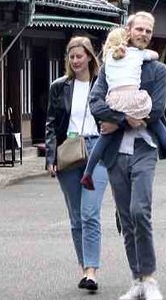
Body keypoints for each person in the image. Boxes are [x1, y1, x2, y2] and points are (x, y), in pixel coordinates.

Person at [89, 11, 166, 300]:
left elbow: (156, 109)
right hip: (115, 152)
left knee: (139, 211)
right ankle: (136, 279)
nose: (144, 34)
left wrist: (118, 119)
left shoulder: (157, 69)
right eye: (140, 29)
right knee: (125, 217)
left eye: (149, 30)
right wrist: (124, 119)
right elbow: (95, 103)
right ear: (129, 30)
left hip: (144, 148)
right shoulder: (112, 63)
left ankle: (150, 279)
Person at [80, 26, 166, 190]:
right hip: (133, 98)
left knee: (104, 137)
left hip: (114, 101)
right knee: (159, 124)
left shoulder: (108, 59)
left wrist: (118, 121)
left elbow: (96, 101)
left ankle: (88, 173)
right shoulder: (135, 54)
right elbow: (154, 55)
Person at [45, 36, 110, 293]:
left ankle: (92, 271)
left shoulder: (102, 84)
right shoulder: (59, 86)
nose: (75, 61)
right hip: (69, 151)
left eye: (79, 56)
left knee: (89, 212)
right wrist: (50, 157)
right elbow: (50, 123)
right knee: (75, 217)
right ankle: (85, 267)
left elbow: (114, 111)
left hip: (98, 149)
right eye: (71, 57)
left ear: (90, 57)